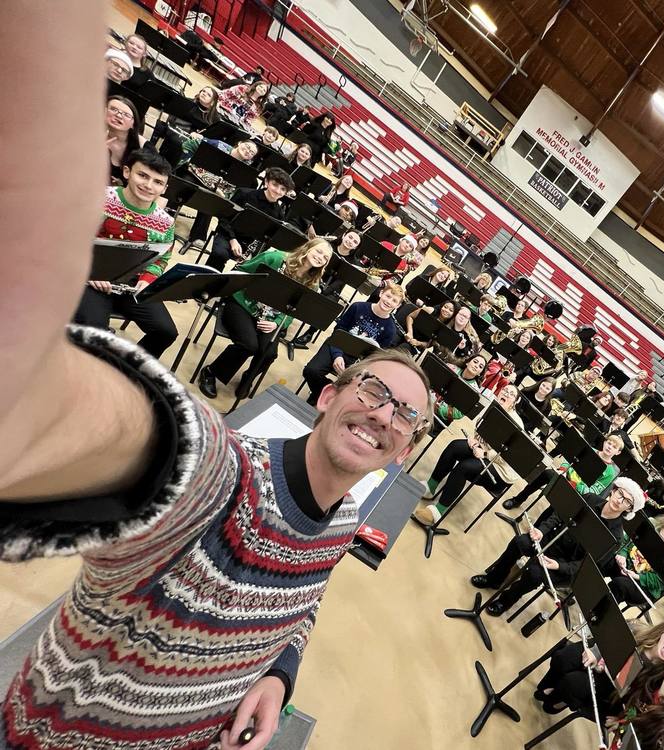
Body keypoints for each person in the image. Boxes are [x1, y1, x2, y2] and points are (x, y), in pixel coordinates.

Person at [2, 14, 435, 748]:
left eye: (405, 416)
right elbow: (85, 425)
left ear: (405, 450)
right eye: (373, 391)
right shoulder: (221, 473)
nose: (385, 415)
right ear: (327, 394)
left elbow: (301, 600)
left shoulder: (337, 525)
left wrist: (279, 675)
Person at [471, 477, 644, 616]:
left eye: (627, 502)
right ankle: (495, 578)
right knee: (520, 542)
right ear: (613, 490)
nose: (620, 501)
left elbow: (588, 565)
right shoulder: (590, 499)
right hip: (552, 540)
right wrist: (542, 530)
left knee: (534, 573)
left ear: (629, 509)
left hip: (565, 565)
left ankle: (506, 600)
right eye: (620, 493)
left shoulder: (616, 536)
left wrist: (559, 566)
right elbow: (560, 515)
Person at [74, 149, 178, 358]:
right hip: (89, 276)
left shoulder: (166, 222)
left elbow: (161, 259)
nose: (149, 185)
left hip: (131, 283)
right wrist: (92, 270)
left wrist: (147, 280)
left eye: (158, 182)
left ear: (165, 188)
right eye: (143, 175)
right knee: (96, 334)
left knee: (166, 332)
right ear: (127, 172)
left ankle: (128, 367)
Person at [198, 239, 332, 400]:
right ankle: (211, 372)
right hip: (242, 305)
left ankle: (248, 377)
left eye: (325, 257)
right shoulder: (275, 258)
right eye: (318, 251)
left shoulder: (312, 284)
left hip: (270, 318)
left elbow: (294, 311)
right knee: (249, 346)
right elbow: (242, 272)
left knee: (269, 354)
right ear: (308, 248)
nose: (320, 257)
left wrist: (277, 323)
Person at [536, 617, 664, 720]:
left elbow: (633, 703)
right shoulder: (638, 629)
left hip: (610, 687)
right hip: (600, 659)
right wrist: (595, 653)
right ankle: (550, 687)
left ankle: (559, 698)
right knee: (564, 657)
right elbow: (608, 640)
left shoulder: (663, 675)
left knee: (572, 684)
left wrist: (622, 719)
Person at [414, 383, 524, 526]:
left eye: (511, 394)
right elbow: (479, 427)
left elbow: (509, 456)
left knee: (464, 468)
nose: (506, 394)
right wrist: (474, 440)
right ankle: (430, 487)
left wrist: (485, 453)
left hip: (501, 470)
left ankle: (438, 512)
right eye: (505, 390)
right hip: (483, 450)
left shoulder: (517, 424)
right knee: (454, 447)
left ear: (516, 402)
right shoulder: (493, 407)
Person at [302, 283, 403, 405]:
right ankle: (326, 392)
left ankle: (318, 394)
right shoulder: (358, 307)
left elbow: (375, 356)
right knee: (310, 371)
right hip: (336, 345)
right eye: (387, 296)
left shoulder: (390, 330)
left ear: (398, 305)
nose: (389, 301)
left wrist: (356, 368)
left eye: (394, 300)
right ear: (381, 293)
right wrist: (337, 355)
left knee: (354, 391)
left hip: (357, 360)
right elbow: (338, 331)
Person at [502, 434, 624, 510]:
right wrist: (563, 470)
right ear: (604, 442)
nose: (609, 447)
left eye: (614, 447)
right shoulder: (589, 450)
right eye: (609, 443)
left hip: (576, 491)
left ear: (618, 452)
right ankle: (518, 499)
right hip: (564, 476)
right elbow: (569, 462)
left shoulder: (610, 473)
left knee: (561, 506)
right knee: (547, 473)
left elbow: (592, 491)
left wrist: (574, 483)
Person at [207, 167, 294, 270]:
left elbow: (268, 239)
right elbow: (224, 218)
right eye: (275, 185)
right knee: (219, 254)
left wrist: (254, 255)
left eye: (283, 189)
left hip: (249, 245)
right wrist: (232, 240)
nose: (278, 191)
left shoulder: (279, 213)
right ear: (266, 182)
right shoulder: (244, 194)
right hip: (228, 235)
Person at [610, 510, 664, 606]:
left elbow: (662, 582)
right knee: (604, 559)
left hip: (644, 585)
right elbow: (628, 538)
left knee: (619, 585)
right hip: (626, 564)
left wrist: (637, 576)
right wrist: (622, 554)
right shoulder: (651, 523)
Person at [431, 352, 489, 427]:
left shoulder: (475, 391)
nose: (476, 366)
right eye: (475, 362)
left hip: (440, 419)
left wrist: (437, 408)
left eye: (480, 367)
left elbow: (458, 413)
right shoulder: (451, 368)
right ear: (467, 362)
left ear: (480, 374)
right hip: (427, 401)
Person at [105, 95, 146, 184]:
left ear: (133, 124)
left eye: (126, 115)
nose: (118, 115)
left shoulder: (142, 145)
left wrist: (122, 187)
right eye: (113, 109)